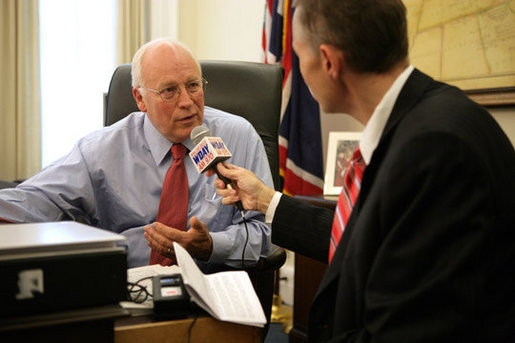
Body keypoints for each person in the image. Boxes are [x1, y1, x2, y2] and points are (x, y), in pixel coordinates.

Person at [208, 0, 515, 341]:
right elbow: (366, 239)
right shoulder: (425, 119)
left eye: (297, 54)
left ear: (328, 61)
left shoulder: (432, 150)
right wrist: (266, 200)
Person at [0, 38, 273, 272]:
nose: (187, 101)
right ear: (140, 99)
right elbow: (33, 201)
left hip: (216, 290)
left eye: (193, 85)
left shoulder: (239, 137)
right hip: (127, 293)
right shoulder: (101, 149)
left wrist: (213, 246)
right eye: (169, 91)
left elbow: (266, 234)